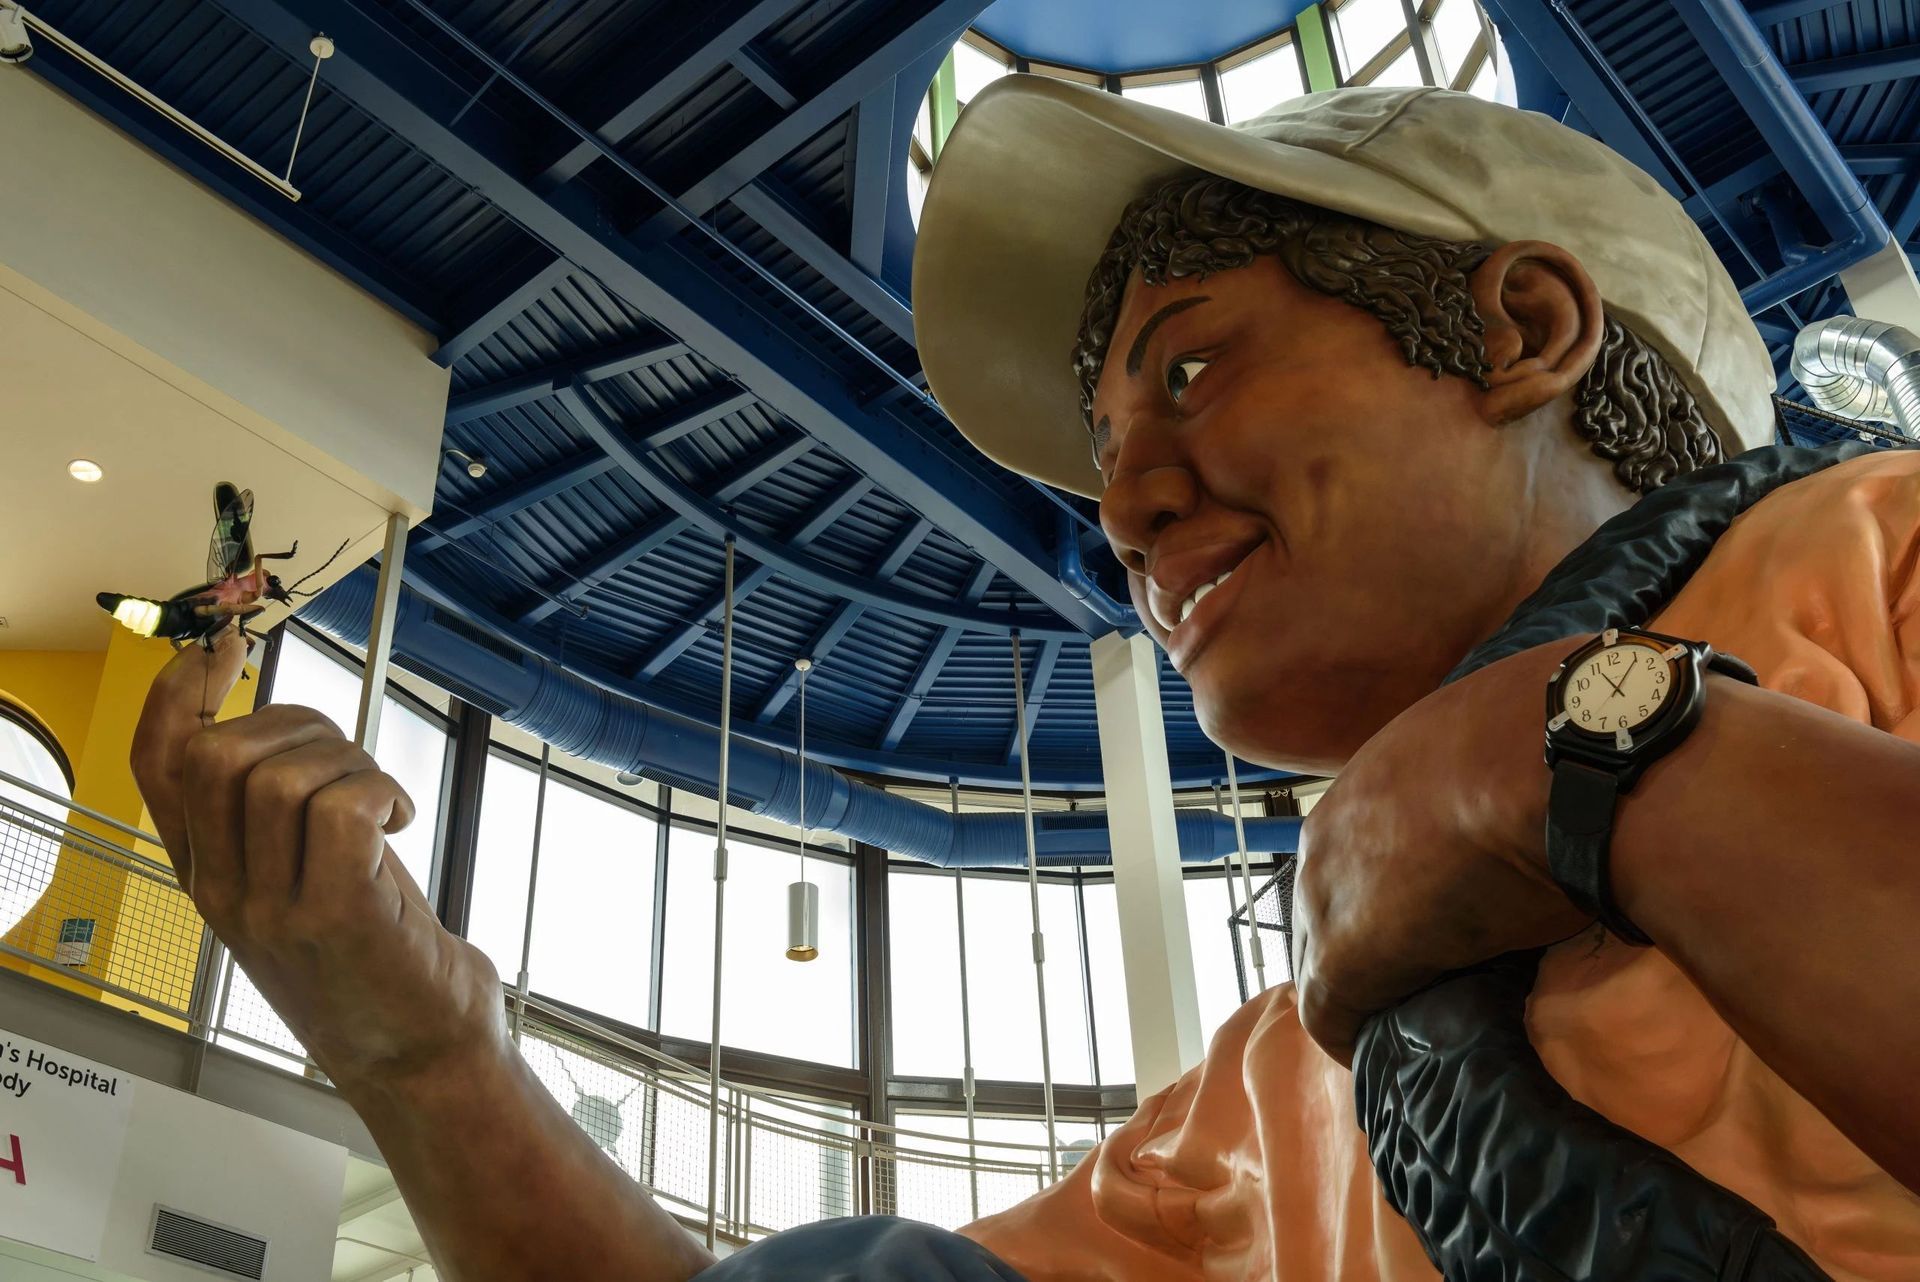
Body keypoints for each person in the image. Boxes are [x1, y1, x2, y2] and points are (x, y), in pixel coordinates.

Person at [129, 79, 1920, 1281]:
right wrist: (422, 1042)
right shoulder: (1255, 1104)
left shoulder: (1880, 553)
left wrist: (1557, 757)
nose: (1123, 510)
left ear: (1524, 331)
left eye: (1192, 373)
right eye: (1106, 453)